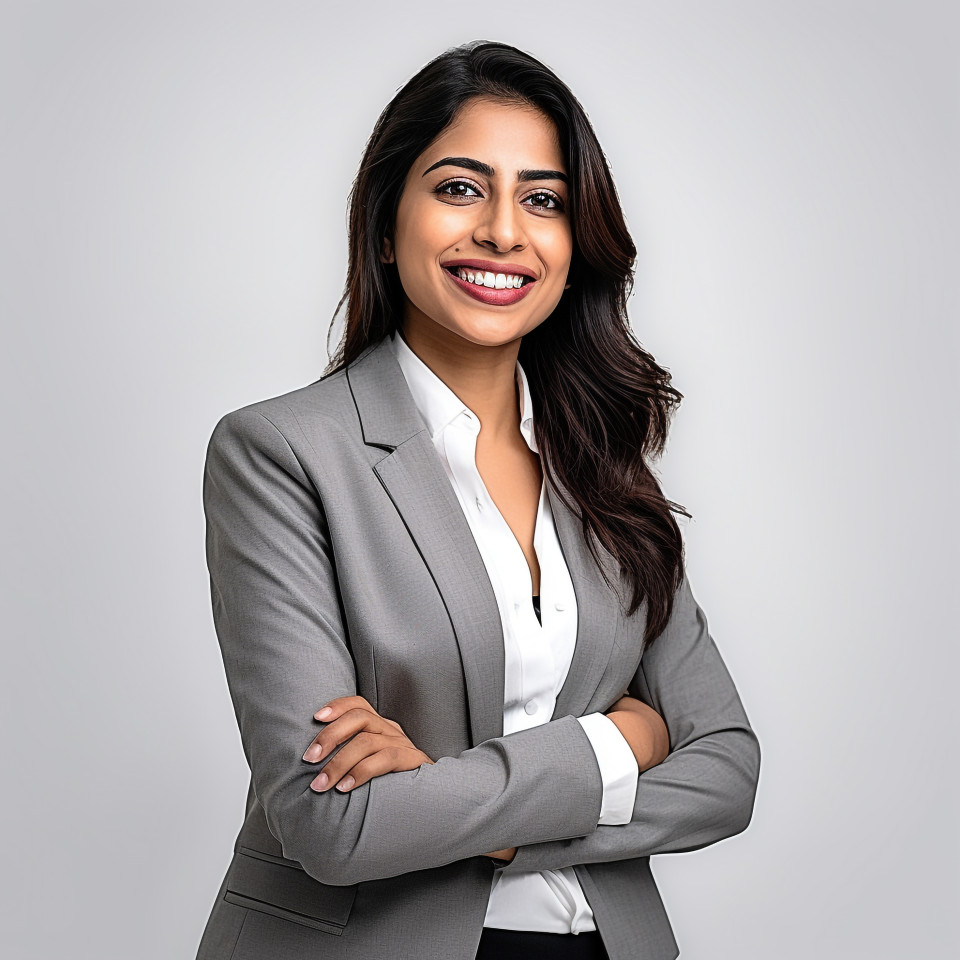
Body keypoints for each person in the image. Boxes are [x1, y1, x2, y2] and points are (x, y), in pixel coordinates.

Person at [195, 40, 761, 960]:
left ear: (575, 247)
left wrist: (459, 807)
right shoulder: (282, 453)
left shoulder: (603, 470)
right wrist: (620, 745)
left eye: (543, 200)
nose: (502, 231)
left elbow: (727, 772)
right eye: (460, 188)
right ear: (387, 224)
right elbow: (332, 824)